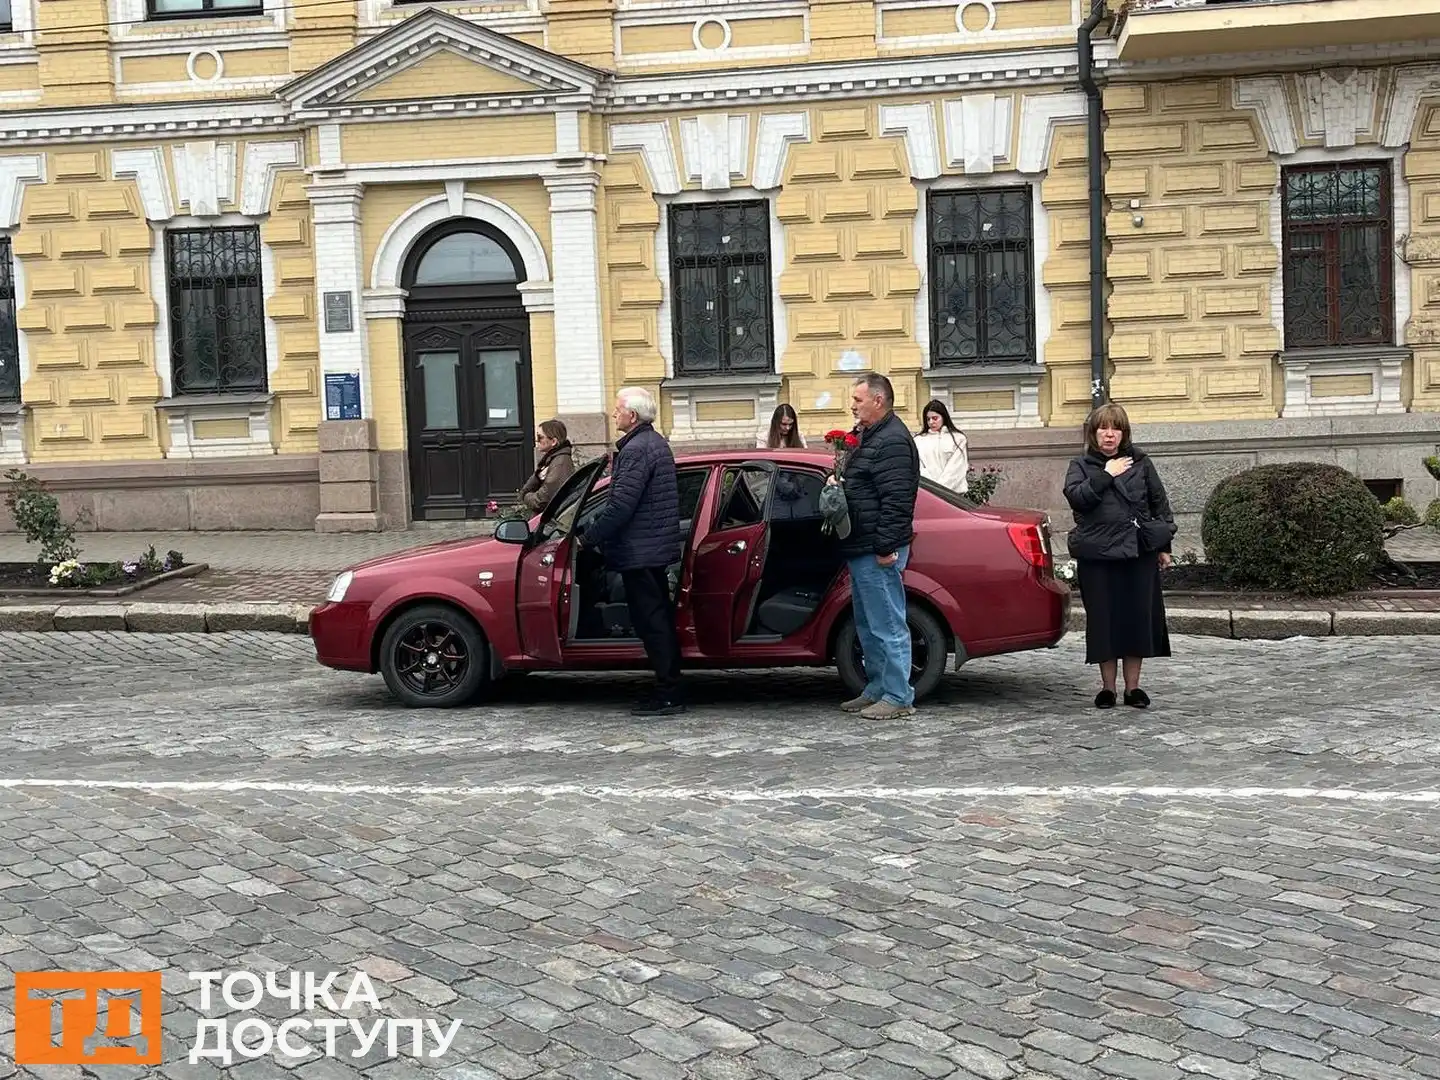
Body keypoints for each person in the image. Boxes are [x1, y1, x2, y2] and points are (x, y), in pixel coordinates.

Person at [576, 387, 685, 716]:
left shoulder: (637, 449)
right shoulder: (653, 443)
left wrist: (588, 538)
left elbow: (621, 506)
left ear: (633, 416)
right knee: (658, 619)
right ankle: (668, 688)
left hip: (641, 550)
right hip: (650, 547)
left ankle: (669, 694)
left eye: (618, 409)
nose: (614, 413)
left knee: (653, 623)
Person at [1062, 402, 1176, 710]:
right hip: (1097, 557)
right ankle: (1108, 688)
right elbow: (1077, 498)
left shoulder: (1140, 462)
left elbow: (1158, 503)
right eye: (1103, 428)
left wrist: (1164, 546)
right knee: (1104, 621)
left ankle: (1133, 688)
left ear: (1123, 433)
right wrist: (1106, 474)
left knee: (1136, 619)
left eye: (1115, 428)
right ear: (1093, 433)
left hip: (1137, 553)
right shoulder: (1081, 465)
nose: (1108, 434)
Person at [834, 373, 921, 721]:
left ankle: (899, 695)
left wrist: (886, 546)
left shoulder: (893, 441)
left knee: (888, 623)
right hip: (862, 546)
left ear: (878, 400)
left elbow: (898, 500)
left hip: (877, 549)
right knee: (868, 624)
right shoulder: (868, 436)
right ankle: (877, 688)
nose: (853, 406)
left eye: (858, 400)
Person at [518, 419, 575, 513]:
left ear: (553, 441)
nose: (537, 440)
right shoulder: (551, 459)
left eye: (540, 437)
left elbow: (541, 501)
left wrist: (526, 496)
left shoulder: (560, 463)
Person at [914, 399, 969, 494]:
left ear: (943, 417)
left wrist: (941, 491)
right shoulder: (918, 440)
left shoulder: (958, 439)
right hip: (929, 494)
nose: (931, 422)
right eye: (928, 419)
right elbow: (919, 468)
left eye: (935, 418)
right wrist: (933, 489)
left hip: (955, 495)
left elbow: (957, 468)